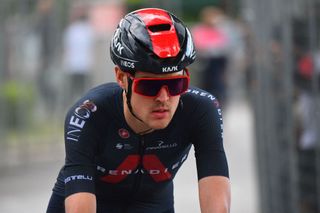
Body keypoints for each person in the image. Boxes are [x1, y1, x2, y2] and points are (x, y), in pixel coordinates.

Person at [47, 8, 230, 213]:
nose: (163, 98)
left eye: (176, 84)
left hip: (152, 206)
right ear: (122, 78)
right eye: (149, 86)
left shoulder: (201, 110)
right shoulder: (89, 115)